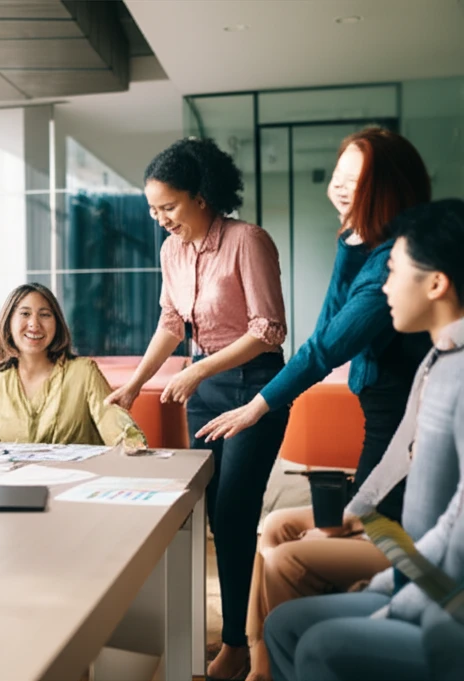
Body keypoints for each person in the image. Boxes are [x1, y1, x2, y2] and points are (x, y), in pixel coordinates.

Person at [195, 130, 433, 681]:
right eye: (338, 177)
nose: (339, 188)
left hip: (401, 506)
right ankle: (252, 660)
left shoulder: (394, 268)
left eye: (355, 181)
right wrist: (349, 241)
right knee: (276, 525)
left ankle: (273, 666)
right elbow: (328, 323)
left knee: (287, 553)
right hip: (382, 461)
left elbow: (325, 348)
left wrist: (257, 405)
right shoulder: (371, 252)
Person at [104, 137, 290, 680]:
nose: (160, 219)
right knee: (211, 515)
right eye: (153, 210)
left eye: (168, 206)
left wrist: (198, 370)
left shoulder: (247, 241)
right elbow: (171, 323)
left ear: (201, 196)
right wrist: (135, 384)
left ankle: (242, 645)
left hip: (254, 386)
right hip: (202, 391)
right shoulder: (172, 252)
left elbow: (269, 329)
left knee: (234, 514)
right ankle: (235, 633)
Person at [263, 199, 464, 681]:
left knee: (321, 645)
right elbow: (397, 459)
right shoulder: (436, 361)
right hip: (419, 573)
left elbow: (457, 531)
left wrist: (397, 601)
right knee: (284, 626)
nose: (383, 287)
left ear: (436, 284)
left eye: (393, 271)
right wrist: (381, 572)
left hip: (448, 606)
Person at [0, 283, 146, 448]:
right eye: (25, 314)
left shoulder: (83, 372)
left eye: (45, 315)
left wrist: (132, 444)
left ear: (57, 323)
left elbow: (113, 423)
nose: (34, 324)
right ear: (8, 322)